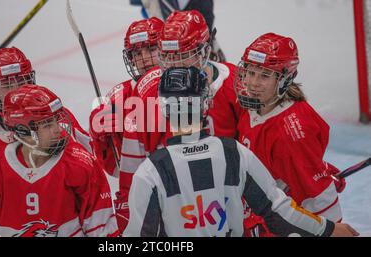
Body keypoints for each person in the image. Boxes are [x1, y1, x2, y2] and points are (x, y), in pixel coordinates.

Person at [123, 66, 358, 237]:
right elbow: (278, 213)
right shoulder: (234, 153)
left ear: (164, 109)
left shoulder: (149, 172)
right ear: (206, 104)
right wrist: (328, 229)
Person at [116, 10, 241, 233]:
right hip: (176, 207)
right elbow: (132, 171)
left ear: (205, 51)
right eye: (168, 56)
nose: (175, 65)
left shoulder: (235, 82)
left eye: (184, 55)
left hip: (229, 200)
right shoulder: (148, 93)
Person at [0, 47, 90, 236]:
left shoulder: (56, 118)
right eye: (6, 85)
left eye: (21, 80)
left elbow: (90, 170)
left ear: (31, 80)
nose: (15, 90)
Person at [0, 85, 118, 237]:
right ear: (23, 131)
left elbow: (104, 234)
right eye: (47, 124)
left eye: (56, 120)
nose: (58, 129)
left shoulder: (80, 164)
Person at [234, 33, 346, 237]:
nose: (253, 83)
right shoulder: (254, 105)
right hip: (255, 216)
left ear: (284, 79)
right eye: (250, 72)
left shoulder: (291, 132)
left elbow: (319, 198)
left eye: (265, 75)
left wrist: (332, 229)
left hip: (278, 224)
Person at [89, 17, 164, 178]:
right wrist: (100, 140)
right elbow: (115, 169)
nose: (144, 58)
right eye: (137, 53)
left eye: (150, 49)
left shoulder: (188, 86)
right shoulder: (118, 97)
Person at [139, 0, 225, 62]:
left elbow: (206, 23)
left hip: (200, 49)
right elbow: (153, 19)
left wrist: (208, 43)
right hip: (169, 51)